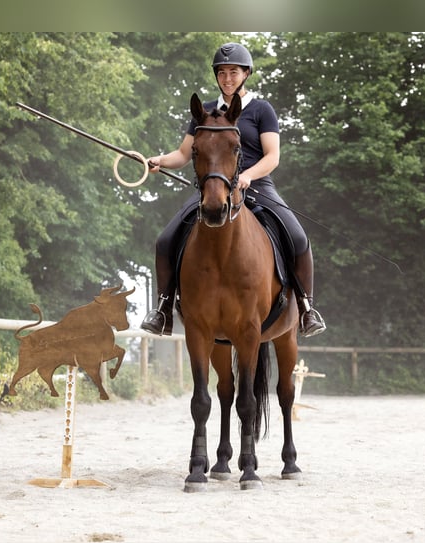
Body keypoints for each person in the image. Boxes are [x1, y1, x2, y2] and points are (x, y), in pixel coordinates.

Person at [140, 42, 326, 338]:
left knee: (299, 239)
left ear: (246, 73)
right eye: (222, 72)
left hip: (258, 186)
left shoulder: (261, 110)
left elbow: (272, 156)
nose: (227, 78)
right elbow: (184, 154)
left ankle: (306, 308)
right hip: (214, 189)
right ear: (217, 75)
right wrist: (157, 161)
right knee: (165, 240)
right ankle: (163, 308)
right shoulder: (205, 111)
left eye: (234, 72)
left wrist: (248, 176)